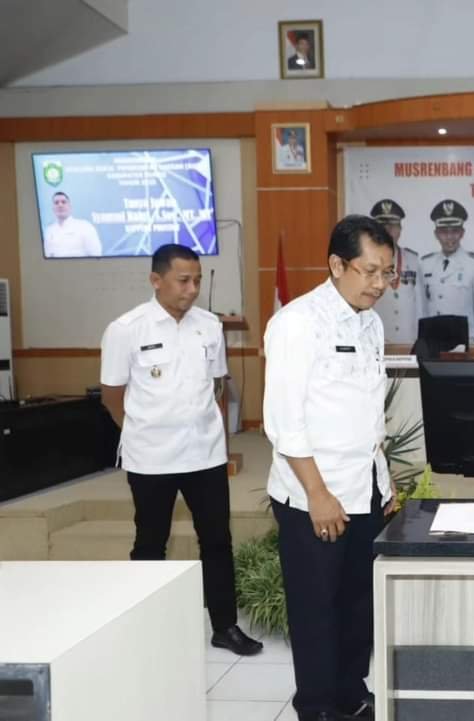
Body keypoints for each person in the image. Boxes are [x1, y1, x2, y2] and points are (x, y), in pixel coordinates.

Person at [263, 215, 397, 721]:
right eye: (370, 271)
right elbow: (285, 422)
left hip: (364, 488)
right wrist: (318, 495)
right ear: (337, 265)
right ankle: (317, 707)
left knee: (358, 603)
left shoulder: (371, 323)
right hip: (313, 495)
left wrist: (383, 481)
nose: (379, 284)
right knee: (316, 608)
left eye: (387, 273)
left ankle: (349, 693)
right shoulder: (298, 323)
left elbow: (366, 413)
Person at [99, 244, 262, 657]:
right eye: (183, 280)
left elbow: (217, 385)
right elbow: (112, 396)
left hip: (205, 455)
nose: (192, 289)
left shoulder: (209, 326)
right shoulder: (126, 329)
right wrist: (140, 430)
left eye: (197, 280)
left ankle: (224, 626)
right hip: (151, 458)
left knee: (217, 541)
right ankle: (146, 626)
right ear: (156, 280)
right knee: (150, 542)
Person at [419, 199, 474, 342]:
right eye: (444, 232)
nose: (449, 237)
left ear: (462, 233)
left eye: (455, 231)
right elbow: (421, 309)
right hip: (432, 341)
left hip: (464, 342)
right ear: (436, 234)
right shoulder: (425, 264)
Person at [371, 199, 422, 343]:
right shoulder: (365, 262)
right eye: (383, 226)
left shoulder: (413, 260)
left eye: (393, 225)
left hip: (408, 341)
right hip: (378, 340)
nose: (388, 230)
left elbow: (420, 306)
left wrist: (420, 340)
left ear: (400, 229)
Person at [43, 191, 103, 258]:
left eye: (63, 202)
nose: (60, 205)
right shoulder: (48, 231)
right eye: (56, 203)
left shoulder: (85, 226)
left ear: (70, 207)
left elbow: (96, 254)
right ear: (53, 208)